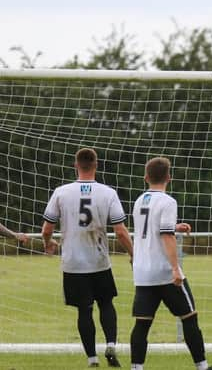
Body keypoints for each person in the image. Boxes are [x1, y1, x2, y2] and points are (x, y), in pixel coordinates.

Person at [41, 148, 134, 368]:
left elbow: (47, 228)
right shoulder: (108, 192)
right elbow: (120, 230)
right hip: (99, 260)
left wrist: (48, 243)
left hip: (73, 263)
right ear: (96, 165)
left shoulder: (61, 192)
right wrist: (133, 253)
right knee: (106, 303)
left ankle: (92, 359)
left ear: (76, 165)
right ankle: (111, 344)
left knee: (84, 309)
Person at [129, 157, 212, 370]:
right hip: (165, 272)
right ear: (169, 177)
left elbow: (151, 230)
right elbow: (166, 237)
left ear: (146, 177)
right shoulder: (168, 202)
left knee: (142, 323)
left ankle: (136, 367)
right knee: (189, 318)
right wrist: (176, 268)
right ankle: (202, 366)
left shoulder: (139, 201)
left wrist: (174, 227)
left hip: (143, 272)